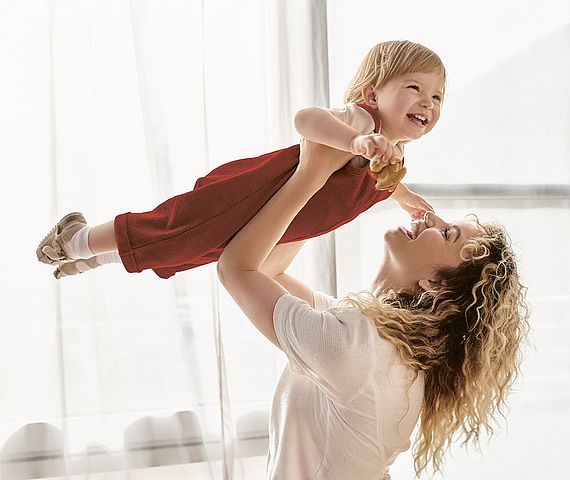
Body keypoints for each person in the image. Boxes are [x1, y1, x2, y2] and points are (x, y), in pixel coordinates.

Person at [217, 139, 530, 479]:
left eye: (447, 233)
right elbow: (269, 272)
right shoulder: (372, 338)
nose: (431, 218)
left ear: (435, 284)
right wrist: (331, 185)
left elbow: (236, 269)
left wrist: (312, 172)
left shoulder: (359, 348)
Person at [35, 40, 444, 279]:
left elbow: (379, 180)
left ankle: (99, 256)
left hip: (271, 224)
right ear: (373, 94)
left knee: (196, 252)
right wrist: (356, 140)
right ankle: (76, 239)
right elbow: (306, 120)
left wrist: (405, 197)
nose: (428, 102)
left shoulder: (391, 154)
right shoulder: (361, 122)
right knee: (177, 229)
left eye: (437, 96)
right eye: (414, 87)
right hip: (249, 195)